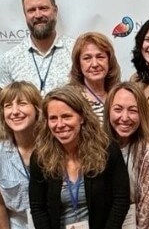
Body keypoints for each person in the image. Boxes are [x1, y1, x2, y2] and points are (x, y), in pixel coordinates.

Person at [29, 87, 130, 229]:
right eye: (53, 118)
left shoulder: (107, 149)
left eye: (66, 116)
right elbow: (37, 208)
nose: (60, 124)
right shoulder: (40, 157)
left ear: (82, 117)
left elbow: (121, 201)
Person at [0, 81, 42, 229]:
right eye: (8, 106)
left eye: (22, 103)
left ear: (37, 109)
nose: (15, 111)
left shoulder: (53, 146)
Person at [104, 82, 149, 229]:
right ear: (108, 111)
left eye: (133, 110)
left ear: (142, 114)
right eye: (118, 109)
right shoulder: (99, 146)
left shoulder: (148, 149)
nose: (124, 117)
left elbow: (147, 211)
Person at [0, 0, 75, 95]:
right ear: (25, 14)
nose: (38, 15)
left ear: (55, 10)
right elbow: (4, 108)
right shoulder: (10, 59)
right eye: (31, 10)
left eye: (43, 8)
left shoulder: (75, 51)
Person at [69, 32, 121, 121]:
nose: (94, 64)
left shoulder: (119, 96)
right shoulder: (70, 99)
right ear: (78, 64)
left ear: (109, 61)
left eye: (100, 57)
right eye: (87, 58)